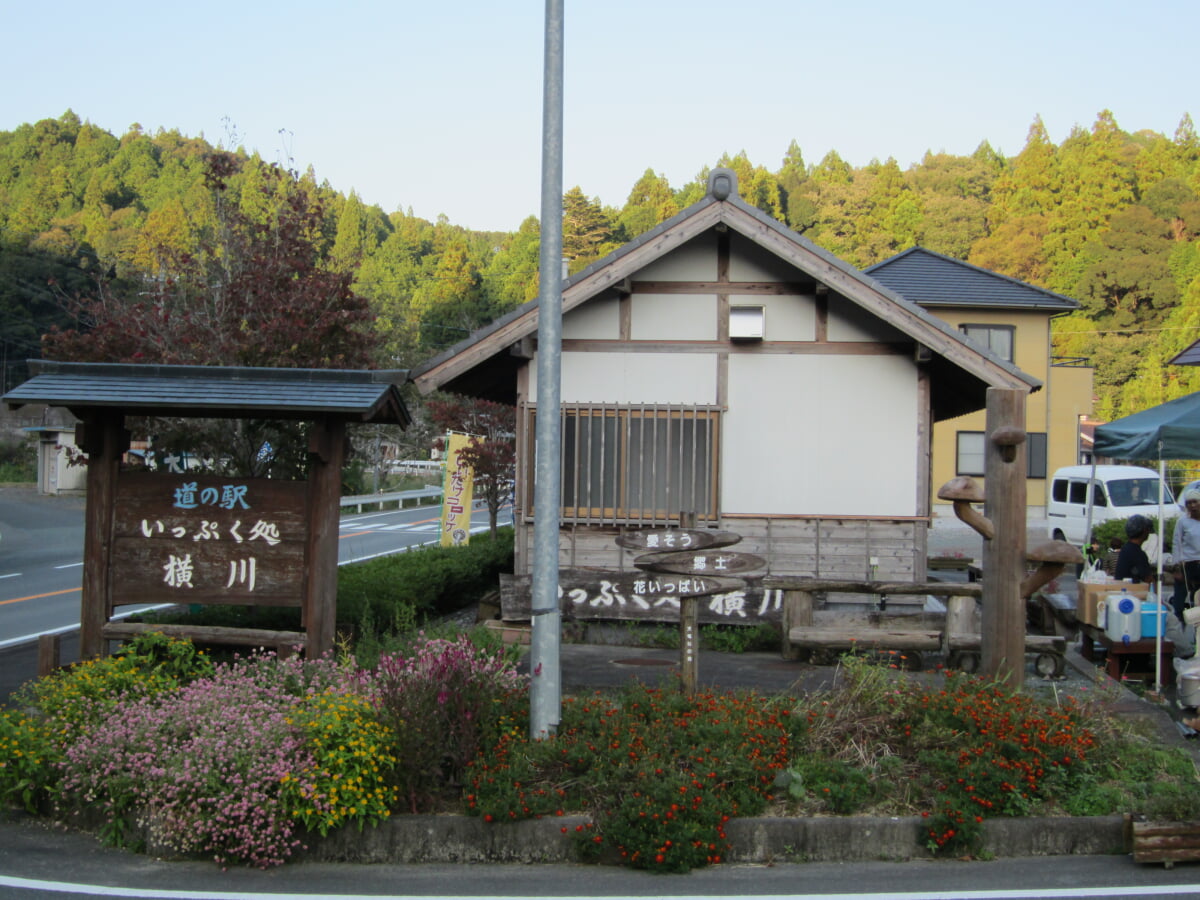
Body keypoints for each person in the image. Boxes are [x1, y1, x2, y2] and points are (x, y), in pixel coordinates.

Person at [1174, 489, 1200, 618]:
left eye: (1195, 502)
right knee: (1181, 597)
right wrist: (1177, 567)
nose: (1192, 505)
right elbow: (1176, 543)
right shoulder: (1183, 521)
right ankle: (1180, 621)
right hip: (1188, 564)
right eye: (1189, 503)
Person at [1114, 514, 1153, 584]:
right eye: (1147, 529)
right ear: (1144, 531)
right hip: (1132, 592)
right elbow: (1148, 580)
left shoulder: (1125, 548)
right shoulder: (1138, 554)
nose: (1149, 532)